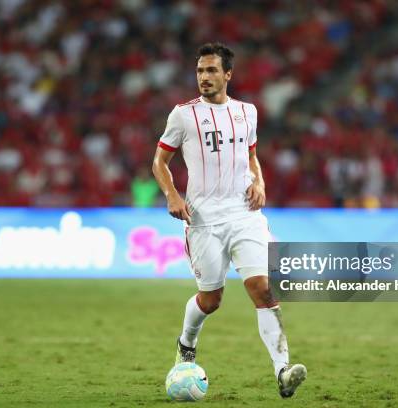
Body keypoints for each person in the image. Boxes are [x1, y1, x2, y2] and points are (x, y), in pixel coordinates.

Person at [151, 42, 306, 398]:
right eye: (200, 71)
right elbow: (159, 162)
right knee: (211, 300)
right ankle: (186, 342)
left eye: (211, 71)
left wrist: (261, 182)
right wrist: (173, 195)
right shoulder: (183, 115)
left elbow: (252, 156)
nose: (203, 77)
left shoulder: (247, 112)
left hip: (244, 215)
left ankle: (282, 370)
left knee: (263, 288)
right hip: (203, 220)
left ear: (228, 74)